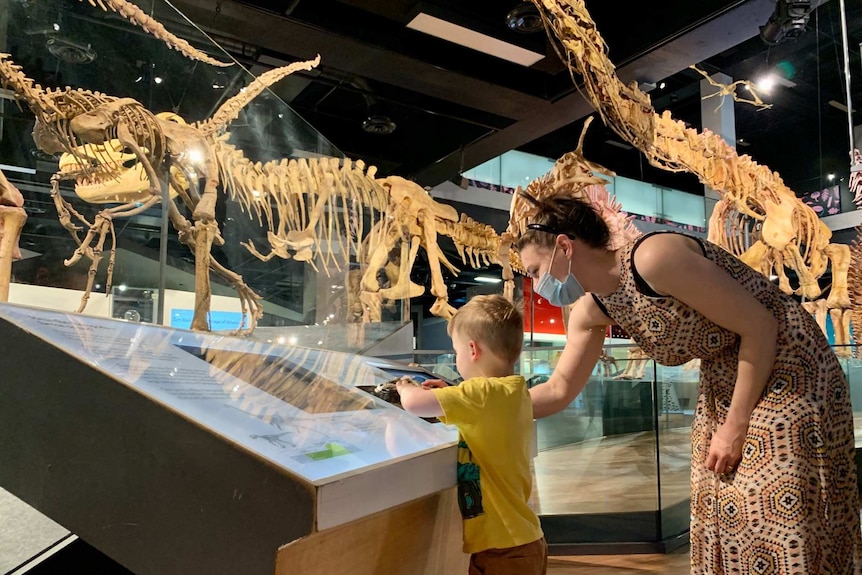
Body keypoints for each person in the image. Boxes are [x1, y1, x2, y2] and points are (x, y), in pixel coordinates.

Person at [514, 190, 862, 574]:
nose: (539, 284)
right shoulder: (593, 308)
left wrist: (735, 424)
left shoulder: (654, 258)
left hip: (788, 363)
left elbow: (761, 325)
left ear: (564, 246)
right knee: (721, 502)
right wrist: (474, 402)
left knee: (777, 500)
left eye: (535, 271)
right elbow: (559, 388)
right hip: (725, 376)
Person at [396, 294, 547, 575]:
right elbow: (477, 406)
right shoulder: (514, 393)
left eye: (456, 351)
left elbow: (414, 404)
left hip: (504, 549)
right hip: (519, 540)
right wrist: (448, 390)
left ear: (473, 350)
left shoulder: (481, 395)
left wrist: (404, 385)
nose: (457, 358)